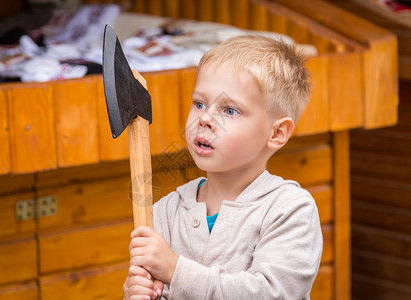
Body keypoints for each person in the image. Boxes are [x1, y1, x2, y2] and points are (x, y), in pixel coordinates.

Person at [123, 34, 323, 300]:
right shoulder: (164, 212)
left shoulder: (289, 210)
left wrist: (174, 269)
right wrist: (135, 294)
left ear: (276, 133)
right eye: (199, 104)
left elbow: (271, 294)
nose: (204, 118)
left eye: (230, 110)